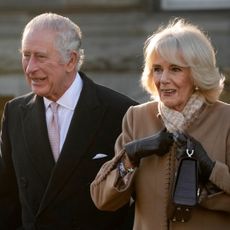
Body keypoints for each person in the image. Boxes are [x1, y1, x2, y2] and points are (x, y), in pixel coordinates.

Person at [0, 12, 137, 230]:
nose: (29, 68)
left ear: (71, 60)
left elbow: (139, 203)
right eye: (26, 55)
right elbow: (6, 197)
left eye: (40, 57)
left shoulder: (121, 113)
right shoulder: (15, 112)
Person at [90, 18, 230, 230]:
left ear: (197, 73)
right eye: (157, 69)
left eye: (175, 69)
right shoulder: (136, 118)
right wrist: (130, 157)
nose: (163, 79)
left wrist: (211, 169)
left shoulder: (225, 119)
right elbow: (102, 199)